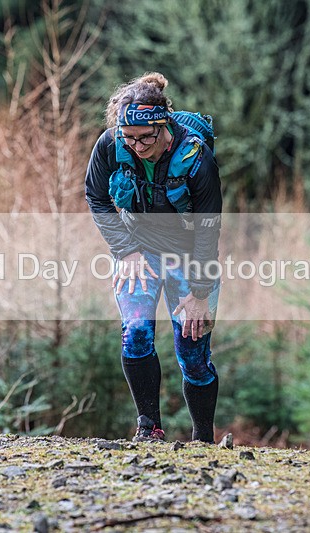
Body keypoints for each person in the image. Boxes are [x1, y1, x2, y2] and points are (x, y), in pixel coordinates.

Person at [85, 72, 222, 443]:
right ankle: (149, 428)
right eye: (129, 138)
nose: (137, 146)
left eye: (146, 138)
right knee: (136, 333)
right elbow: (96, 198)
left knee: (193, 353)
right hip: (138, 252)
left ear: (165, 125)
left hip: (190, 257)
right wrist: (125, 251)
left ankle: (203, 439)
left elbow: (209, 228)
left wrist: (199, 293)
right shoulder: (111, 144)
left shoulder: (196, 157)